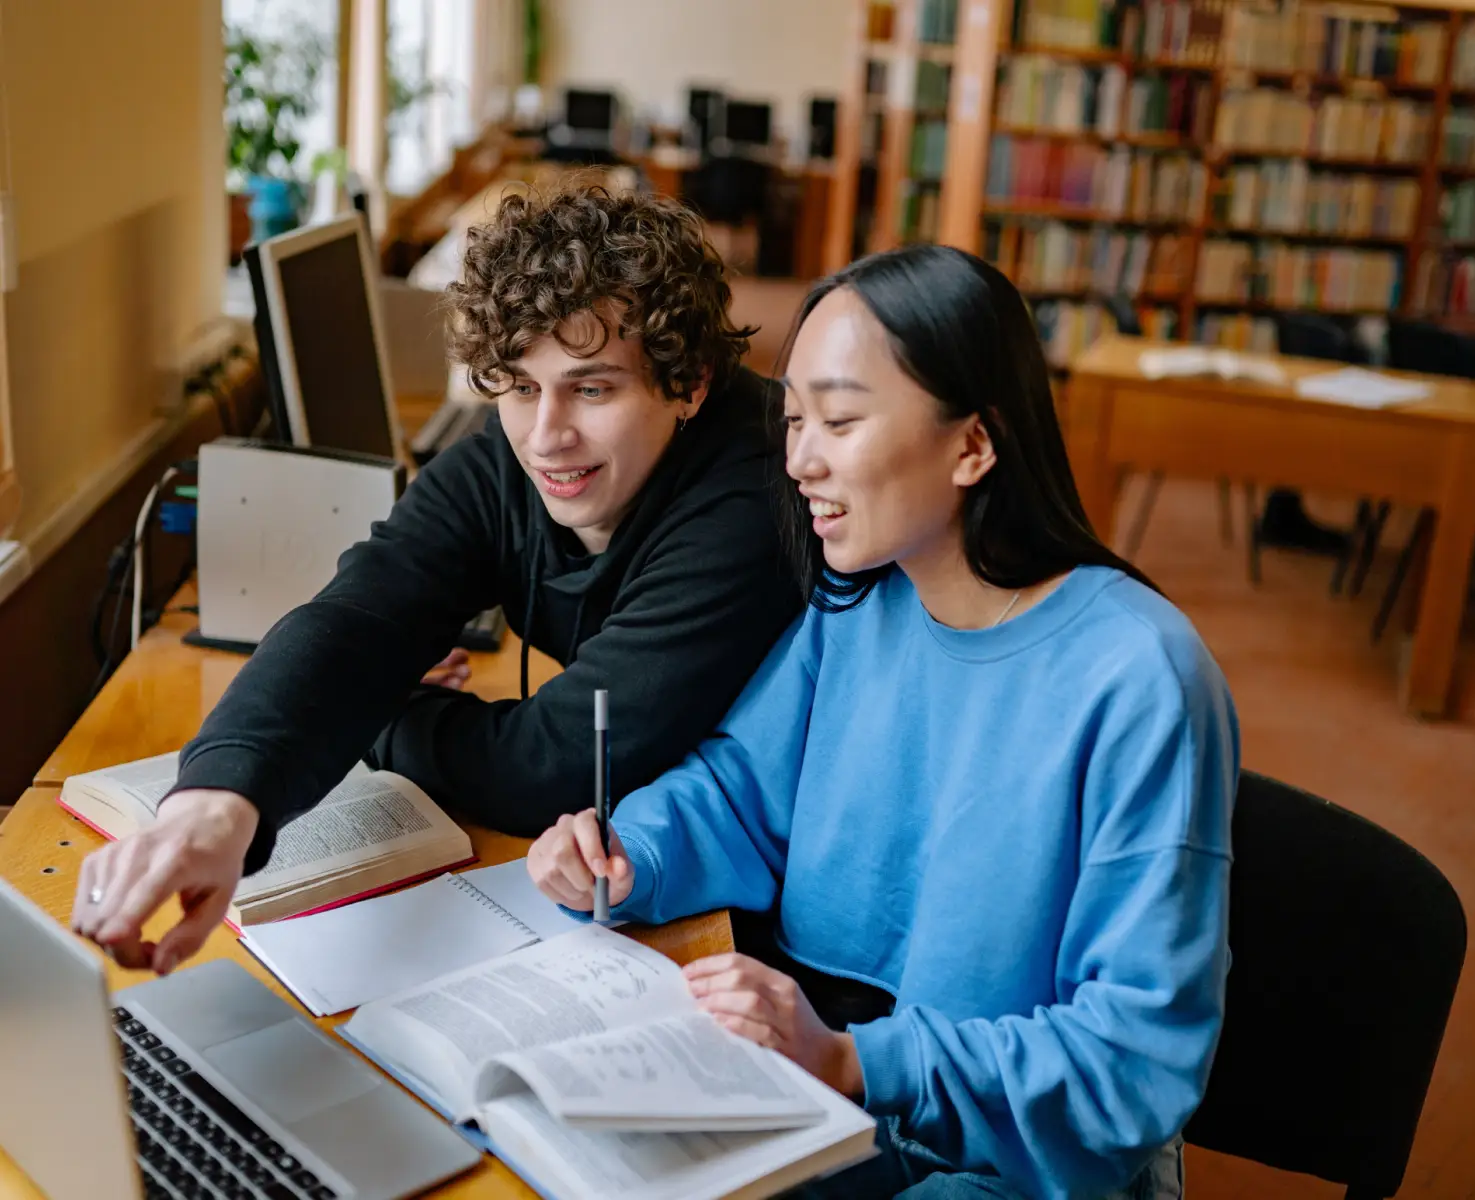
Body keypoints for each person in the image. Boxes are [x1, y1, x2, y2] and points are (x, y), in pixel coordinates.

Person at [528, 244, 1239, 1199]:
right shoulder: (858, 598)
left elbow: (1131, 1062)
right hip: (842, 1100)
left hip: (1015, 1166)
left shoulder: (1139, 676)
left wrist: (857, 1063)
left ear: (973, 445)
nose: (799, 460)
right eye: (791, 420)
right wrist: (628, 851)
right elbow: (742, 791)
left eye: (841, 419)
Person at [71, 186, 801, 975]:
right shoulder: (509, 454)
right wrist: (214, 804)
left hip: (770, 929)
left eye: (592, 388)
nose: (546, 437)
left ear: (688, 382)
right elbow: (361, 613)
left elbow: (554, 765)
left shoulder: (755, 491)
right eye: (520, 386)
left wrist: (391, 709)